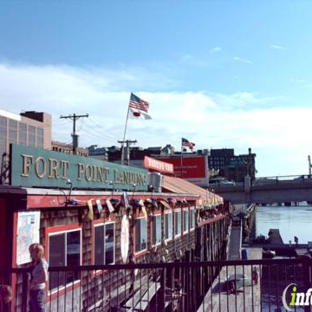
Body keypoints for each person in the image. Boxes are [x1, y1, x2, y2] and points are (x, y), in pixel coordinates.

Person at [29, 244, 48, 312]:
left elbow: (45, 278)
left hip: (38, 291)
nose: (30, 253)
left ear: (38, 252)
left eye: (32, 251)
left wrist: (34, 283)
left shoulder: (42, 263)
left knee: (39, 309)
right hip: (34, 290)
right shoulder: (36, 262)